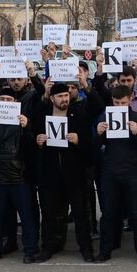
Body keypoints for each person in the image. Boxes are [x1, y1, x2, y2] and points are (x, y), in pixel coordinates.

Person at [30, 81, 97, 262]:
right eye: (60, 96)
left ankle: (86, 248)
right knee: (50, 213)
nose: (64, 99)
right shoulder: (42, 114)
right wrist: (38, 140)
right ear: (52, 98)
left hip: (74, 174)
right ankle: (48, 247)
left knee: (81, 214)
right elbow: (31, 138)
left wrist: (78, 140)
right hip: (49, 174)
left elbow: (90, 144)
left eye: (66, 95)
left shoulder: (78, 114)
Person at [96, 85, 137, 263]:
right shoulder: (105, 117)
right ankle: (105, 251)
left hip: (132, 173)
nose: (119, 106)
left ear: (130, 100)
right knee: (109, 214)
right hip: (110, 172)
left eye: (123, 102)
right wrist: (98, 134)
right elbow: (93, 145)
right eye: (116, 102)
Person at [0, 91, 38, 263]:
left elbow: (32, 147)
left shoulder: (23, 120)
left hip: (19, 176)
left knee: (26, 216)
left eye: (8, 100)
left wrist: (27, 127)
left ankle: (30, 249)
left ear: (16, 103)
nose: (5, 103)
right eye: (2, 100)